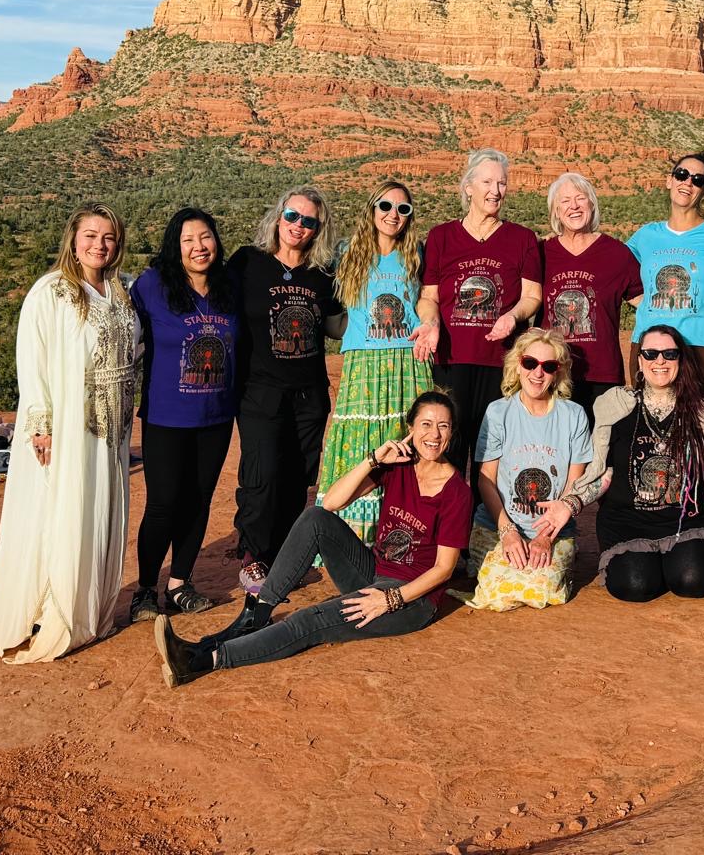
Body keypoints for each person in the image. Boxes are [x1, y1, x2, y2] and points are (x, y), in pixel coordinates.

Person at [152, 390, 470, 685]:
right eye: (426, 424)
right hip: (373, 573)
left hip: (411, 599)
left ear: (451, 433)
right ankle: (258, 614)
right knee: (315, 517)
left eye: (443, 426)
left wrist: (390, 599)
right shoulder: (397, 465)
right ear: (411, 428)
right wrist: (374, 459)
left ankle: (199, 661)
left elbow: (443, 569)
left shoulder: (457, 492)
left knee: (311, 620)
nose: (435, 434)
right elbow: (331, 502)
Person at [0, 203, 139, 663]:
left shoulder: (120, 293)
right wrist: (41, 424)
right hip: (67, 426)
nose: (98, 245)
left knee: (99, 511)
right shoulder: (51, 291)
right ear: (73, 238)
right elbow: (33, 361)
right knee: (63, 511)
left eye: (107, 237)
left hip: (111, 430)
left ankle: (90, 612)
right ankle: (54, 611)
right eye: (90, 235)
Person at [560, 324, 704, 602]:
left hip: (685, 524)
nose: (659, 361)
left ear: (680, 360)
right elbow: (604, 475)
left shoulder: (701, 416)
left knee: (693, 582)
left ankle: (674, 562)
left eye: (669, 354)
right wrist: (569, 504)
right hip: (628, 523)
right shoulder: (617, 409)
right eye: (650, 354)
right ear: (640, 361)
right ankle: (650, 564)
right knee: (635, 586)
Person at [230, 186, 346, 593]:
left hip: (309, 391)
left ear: (318, 229)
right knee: (263, 471)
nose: (298, 226)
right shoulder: (247, 263)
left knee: (299, 474)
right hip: (260, 390)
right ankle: (253, 555)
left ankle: (281, 552)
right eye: (292, 216)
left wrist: (378, 313)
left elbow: (335, 326)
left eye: (308, 221)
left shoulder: (321, 274)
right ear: (278, 217)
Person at [128, 207, 239, 622]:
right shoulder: (152, 285)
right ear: (175, 246)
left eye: (205, 237)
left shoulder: (229, 287)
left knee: (198, 501)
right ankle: (144, 590)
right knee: (162, 504)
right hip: (165, 416)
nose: (198, 246)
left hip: (215, 416)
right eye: (188, 239)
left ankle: (180, 583)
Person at [413, 148, 542, 481]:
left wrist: (513, 317)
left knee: (493, 457)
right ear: (468, 187)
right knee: (448, 450)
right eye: (487, 182)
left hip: (502, 363)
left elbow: (532, 296)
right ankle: (448, 529)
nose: (495, 191)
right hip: (451, 361)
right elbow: (429, 296)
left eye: (501, 183)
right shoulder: (441, 236)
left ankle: (488, 530)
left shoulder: (522, 239)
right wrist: (431, 322)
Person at [316, 181, 433, 545]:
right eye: (385, 206)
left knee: (408, 441)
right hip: (364, 362)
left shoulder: (416, 252)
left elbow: (429, 300)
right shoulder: (346, 253)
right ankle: (352, 537)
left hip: (408, 359)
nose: (393, 215)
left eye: (403, 209)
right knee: (363, 442)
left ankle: (406, 533)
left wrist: (431, 323)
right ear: (372, 209)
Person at [458, 328, 591, 611]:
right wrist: (508, 531)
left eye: (548, 366)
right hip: (499, 526)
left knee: (538, 589)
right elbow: (485, 480)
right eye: (530, 363)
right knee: (497, 590)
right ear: (517, 365)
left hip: (553, 531)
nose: (537, 373)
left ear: (559, 372)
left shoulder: (574, 415)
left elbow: (573, 483)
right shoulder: (498, 412)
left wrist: (545, 537)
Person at [626, 152, 704, 398]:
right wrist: (643, 302)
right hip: (649, 345)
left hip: (700, 345)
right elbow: (616, 274)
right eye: (682, 175)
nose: (688, 182)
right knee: (648, 426)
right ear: (670, 180)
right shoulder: (646, 235)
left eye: (698, 179)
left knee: (694, 426)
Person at [541, 171, 642, 423]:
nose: (573, 206)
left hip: (602, 374)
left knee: (600, 454)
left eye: (580, 198)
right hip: (551, 371)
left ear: (592, 204)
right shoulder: (541, 254)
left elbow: (645, 302)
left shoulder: (618, 254)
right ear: (555, 211)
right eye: (564, 201)